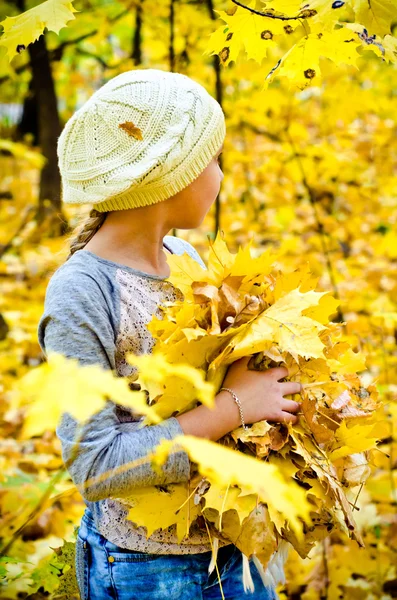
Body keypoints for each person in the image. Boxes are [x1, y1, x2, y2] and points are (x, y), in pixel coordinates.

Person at [37, 69, 301, 600]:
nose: (222, 175)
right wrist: (234, 406)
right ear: (171, 176)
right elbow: (94, 464)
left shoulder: (183, 260)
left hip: (228, 549)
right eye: (214, 160)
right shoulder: (84, 293)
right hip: (144, 569)